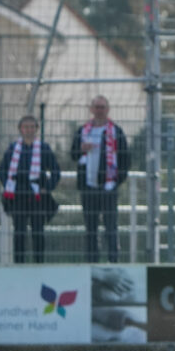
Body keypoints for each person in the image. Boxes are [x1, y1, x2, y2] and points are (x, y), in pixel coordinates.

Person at [70, 95, 129, 264]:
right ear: (91, 109)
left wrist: (116, 181)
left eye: (102, 107)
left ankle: (113, 261)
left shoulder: (116, 131)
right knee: (91, 228)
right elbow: (73, 155)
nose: (99, 110)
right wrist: (81, 149)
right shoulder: (83, 131)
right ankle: (91, 262)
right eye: (96, 107)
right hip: (88, 187)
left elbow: (125, 159)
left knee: (111, 227)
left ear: (107, 109)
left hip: (109, 187)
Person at [0, 115, 61, 264]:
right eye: (26, 127)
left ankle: (39, 263)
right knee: (19, 232)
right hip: (18, 196)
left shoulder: (43, 148)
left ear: (36, 129)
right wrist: (9, 186)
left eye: (32, 127)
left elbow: (55, 171)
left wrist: (47, 188)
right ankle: (19, 264)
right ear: (20, 129)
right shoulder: (13, 149)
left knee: (38, 231)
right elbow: (3, 171)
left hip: (37, 195)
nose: (29, 130)